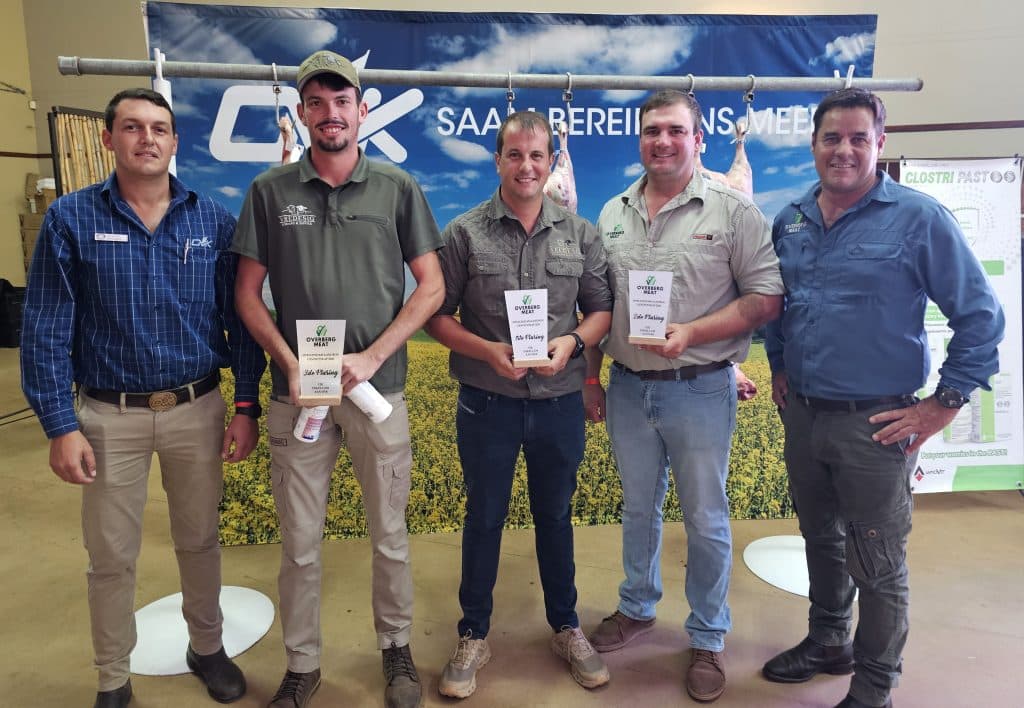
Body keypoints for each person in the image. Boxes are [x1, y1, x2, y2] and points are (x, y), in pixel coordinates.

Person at [20, 88, 266, 708]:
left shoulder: (212, 222)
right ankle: (112, 677)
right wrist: (59, 425)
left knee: (199, 540)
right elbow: (46, 327)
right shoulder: (70, 219)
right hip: (109, 416)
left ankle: (206, 647)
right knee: (110, 556)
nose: (147, 138)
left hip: (196, 409)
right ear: (109, 139)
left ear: (175, 141)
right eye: (132, 127)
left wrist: (245, 406)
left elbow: (240, 322)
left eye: (159, 128)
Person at [762, 87, 1004, 708]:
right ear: (813, 144)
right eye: (831, 138)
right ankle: (828, 641)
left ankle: (874, 688)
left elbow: (981, 317)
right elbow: (779, 306)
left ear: (880, 144)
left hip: (876, 424)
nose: (843, 150)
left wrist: (943, 403)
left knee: (876, 557)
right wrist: (780, 365)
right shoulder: (791, 219)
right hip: (805, 415)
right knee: (820, 537)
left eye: (858, 139)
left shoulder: (919, 219)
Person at [232, 50, 444, 708]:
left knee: (390, 536)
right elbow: (246, 295)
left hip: (380, 393)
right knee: (299, 543)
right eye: (317, 103)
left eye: (342, 101)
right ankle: (302, 664)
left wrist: (373, 357)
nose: (331, 114)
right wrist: (290, 363)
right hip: (297, 396)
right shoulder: (270, 192)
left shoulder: (396, 188)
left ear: (362, 109)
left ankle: (396, 648)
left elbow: (431, 287)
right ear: (302, 112)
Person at [583, 89, 784, 703]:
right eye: (652, 131)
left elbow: (766, 298)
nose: (662, 141)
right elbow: (597, 304)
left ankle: (707, 635)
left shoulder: (732, 210)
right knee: (638, 509)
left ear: (698, 140)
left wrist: (692, 333)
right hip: (628, 387)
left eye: (675, 130)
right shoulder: (612, 213)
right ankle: (637, 606)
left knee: (705, 517)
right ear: (640, 140)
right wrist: (591, 377)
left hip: (699, 388)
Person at [425, 110, 613, 699]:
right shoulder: (464, 233)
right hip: (489, 402)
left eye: (537, 156)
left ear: (550, 161)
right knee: (484, 517)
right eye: (514, 155)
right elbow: (436, 316)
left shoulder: (580, 233)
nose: (526, 166)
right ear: (498, 160)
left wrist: (573, 343)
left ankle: (566, 626)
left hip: (559, 402)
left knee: (555, 517)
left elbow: (601, 310)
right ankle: (473, 634)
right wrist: (486, 351)